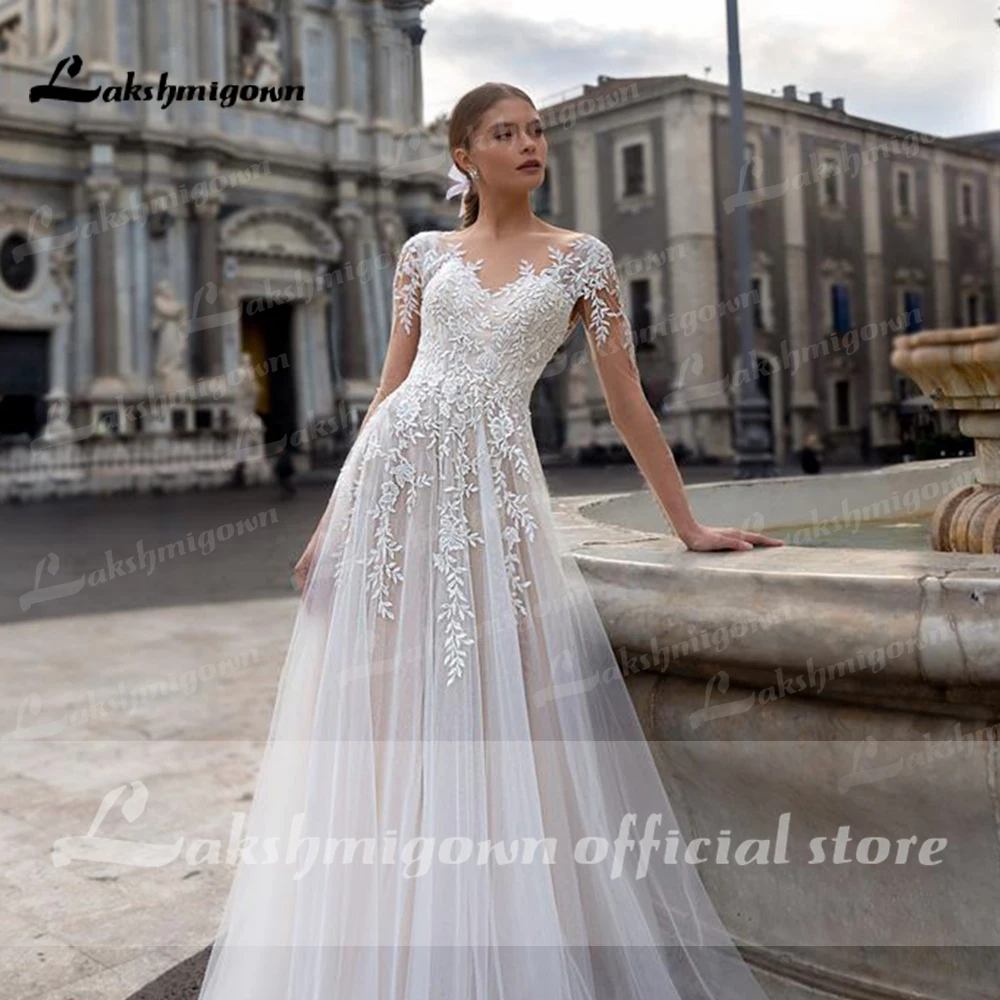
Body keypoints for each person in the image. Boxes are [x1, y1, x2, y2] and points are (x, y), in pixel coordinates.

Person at [196, 82, 783, 1000]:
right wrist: (330, 523)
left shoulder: (583, 259)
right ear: (464, 156)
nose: (528, 143)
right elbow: (389, 392)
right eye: (504, 132)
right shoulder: (422, 253)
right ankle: (382, 925)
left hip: (494, 483)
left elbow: (626, 398)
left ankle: (508, 924)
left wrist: (687, 524)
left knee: (507, 691)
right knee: (386, 704)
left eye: (535, 129)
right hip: (394, 482)